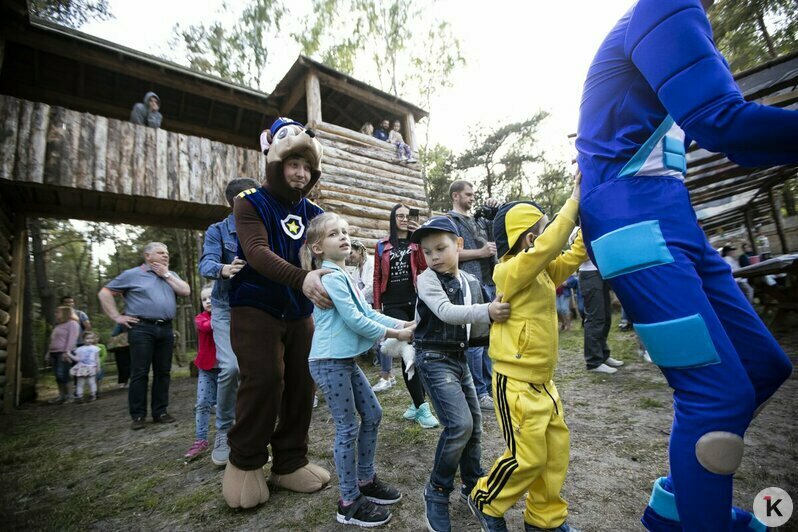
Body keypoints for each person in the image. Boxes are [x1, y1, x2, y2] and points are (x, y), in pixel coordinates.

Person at [576, 0, 797, 528]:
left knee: (762, 366)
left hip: (673, 214)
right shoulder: (663, 6)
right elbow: (725, 124)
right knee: (717, 395)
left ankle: (680, 510)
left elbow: (722, 129)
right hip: (631, 219)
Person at [222, 117, 331, 509]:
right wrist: (301, 278)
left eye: (307, 167)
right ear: (275, 162)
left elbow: (329, 250)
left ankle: (289, 462)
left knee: (303, 383)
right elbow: (256, 252)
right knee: (265, 380)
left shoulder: (316, 211)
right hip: (256, 306)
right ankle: (245, 463)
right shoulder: (249, 201)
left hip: (301, 311)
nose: (300, 174)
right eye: (292, 165)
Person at [468, 171, 585, 532]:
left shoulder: (544, 269)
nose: (552, 236)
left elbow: (573, 254)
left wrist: (589, 214)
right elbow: (551, 247)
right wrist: (575, 199)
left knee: (553, 455)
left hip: (544, 383)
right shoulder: (508, 271)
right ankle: (485, 500)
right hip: (515, 384)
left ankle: (544, 519)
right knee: (526, 457)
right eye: (546, 228)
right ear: (531, 238)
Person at [302, 213, 409, 527]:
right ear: (318, 247)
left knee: (373, 414)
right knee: (347, 427)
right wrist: (396, 334)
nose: (344, 237)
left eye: (346, 232)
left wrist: (404, 323)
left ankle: (365, 480)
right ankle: (348, 500)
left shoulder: (343, 275)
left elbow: (367, 311)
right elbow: (356, 321)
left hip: (343, 361)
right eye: (335, 234)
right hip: (328, 361)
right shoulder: (331, 277)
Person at [411, 216, 511, 532]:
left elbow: (481, 328)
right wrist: (487, 311)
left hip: (460, 360)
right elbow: (445, 312)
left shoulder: (470, 282)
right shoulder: (426, 280)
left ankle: (473, 485)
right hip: (433, 358)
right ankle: (437, 490)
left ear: (459, 245)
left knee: (475, 426)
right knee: (459, 425)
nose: (434, 257)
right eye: (428, 252)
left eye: (440, 248)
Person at [199, 176, 259, 466]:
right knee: (231, 367)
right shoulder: (218, 230)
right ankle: (224, 428)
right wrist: (224, 268)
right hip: (226, 307)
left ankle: (256, 426)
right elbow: (205, 264)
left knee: (263, 368)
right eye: (254, 197)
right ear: (238, 202)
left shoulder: (265, 224)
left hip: (260, 305)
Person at [98, 242, 190, 430]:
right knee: (140, 372)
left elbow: (185, 291)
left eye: (167, 253)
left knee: (163, 372)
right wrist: (117, 316)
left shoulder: (170, 275)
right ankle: (138, 416)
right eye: (160, 252)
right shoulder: (132, 274)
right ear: (147, 256)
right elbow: (104, 292)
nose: (166, 255)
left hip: (165, 329)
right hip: (141, 328)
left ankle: (160, 412)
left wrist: (165, 274)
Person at [372, 204, 439, 429]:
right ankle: (422, 406)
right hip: (393, 304)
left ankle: (415, 402)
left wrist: (419, 238)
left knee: (419, 349)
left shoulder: (415, 243)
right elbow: (377, 276)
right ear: (392, 218)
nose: (403, 219)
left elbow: (423, 266)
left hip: (415, 300)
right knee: (407, 349)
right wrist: (378, 305)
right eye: (399, 216)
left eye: (406, 216)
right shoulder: (381, 246)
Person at [448, 180, 499, 410]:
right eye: (468, 195)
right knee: (475, 343)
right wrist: (480, 252)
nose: (472, 198)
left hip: (488, 282)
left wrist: (494, 210)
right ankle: (478, 392)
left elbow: (498, 230)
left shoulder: (477, 219)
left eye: (473, 195)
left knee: (489, 340)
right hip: (469, 284)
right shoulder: (450, 221)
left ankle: (489, 388)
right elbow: (450, 254)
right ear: (455, 196)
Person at [185, 285, 218, 462]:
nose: (208, 301)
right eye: (204, 299)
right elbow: (207, 327)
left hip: (224, 369)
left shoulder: (228, 316)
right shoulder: (201, 318)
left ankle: (226, 436)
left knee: (224, 404)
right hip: (206, 369)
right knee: (202, 403)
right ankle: (201, 439)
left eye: (212, 298)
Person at [578, 258, 624, 374]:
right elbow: (579, 253)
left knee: (605, 317)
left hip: (602, 272)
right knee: (595, 318)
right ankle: (593, 361)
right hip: (589, 273)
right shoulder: (577, 238)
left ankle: (603, 355)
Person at [47, 306, 81, 405]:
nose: (55, 314)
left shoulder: (72, 324)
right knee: (58, 376)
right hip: (54, 353)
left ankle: (70, 396)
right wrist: (48, 353)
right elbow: (53, 340)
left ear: (66, 313)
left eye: (58, 312)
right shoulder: (58, 325)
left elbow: (72, 339)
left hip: (64, 353)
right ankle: (62, 395)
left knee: (64, 374)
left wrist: (67, 352)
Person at [68, 331, 101, 403]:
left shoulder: (96, 348)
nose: (89, 340)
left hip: (91, 367)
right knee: (80, 382)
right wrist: (69, 354)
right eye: (87, 338)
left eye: (91, 338)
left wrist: (98, 366)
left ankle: (93, 395)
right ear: (83, 340)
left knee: (91, 382)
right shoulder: (79, 349)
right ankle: (79, 396)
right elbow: (77, 359)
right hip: (81, 368)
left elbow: (97, 358)